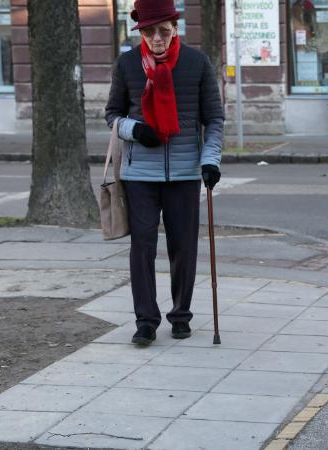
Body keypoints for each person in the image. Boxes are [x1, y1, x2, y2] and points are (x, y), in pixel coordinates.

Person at [105, 0, 224, 346]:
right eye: (149, 32)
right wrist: (135, 130)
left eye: (163, 31)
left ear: (175, 28)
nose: (157, 38)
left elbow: (213, 120)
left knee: (183, 246)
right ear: (140, 31)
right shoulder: (127, 64)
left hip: (185, 172)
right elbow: (112, 115)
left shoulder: (197, 63)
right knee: (141, 245)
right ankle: (145, 320)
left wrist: (210, 160)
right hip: (140, 173)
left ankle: (181, 315)